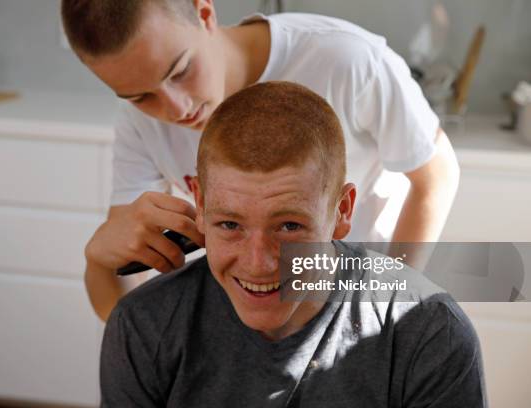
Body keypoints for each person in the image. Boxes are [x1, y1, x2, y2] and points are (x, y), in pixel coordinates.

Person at [61, 0, 461, 322]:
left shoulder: (349, 61)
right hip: (254, 311)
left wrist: (388, 299)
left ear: (204, 13)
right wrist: (98, 260)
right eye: (140, 96)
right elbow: (123, 309)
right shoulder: (140, 123)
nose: (176, 108)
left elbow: (436, 175)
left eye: (181, 71)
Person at [99, 81, 485, 407]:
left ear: (342, 211)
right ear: (199, 206)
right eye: (230, 223)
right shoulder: (144, 326)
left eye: (289, 226)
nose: (258, 263)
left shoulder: (431, 336)